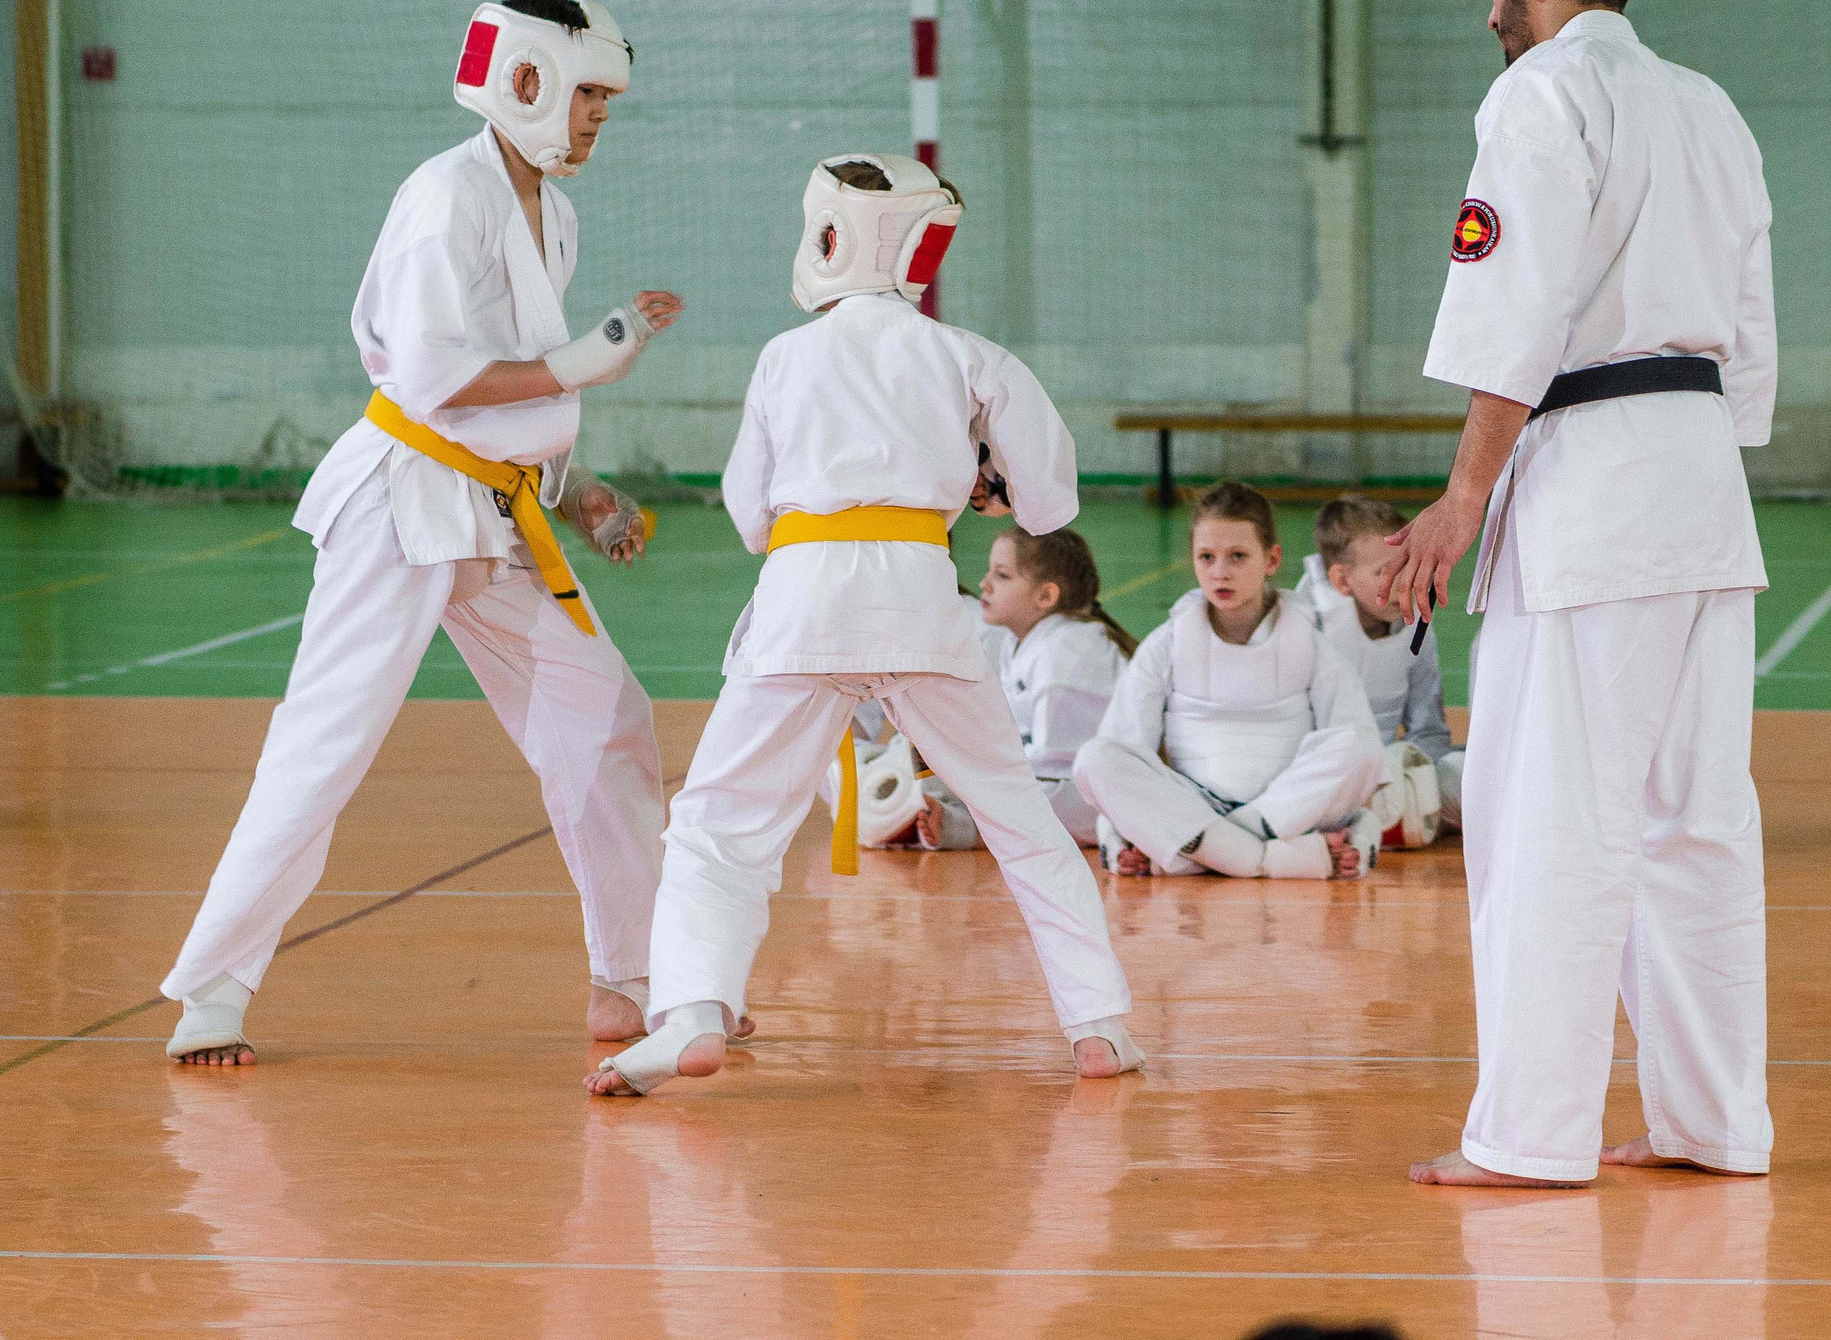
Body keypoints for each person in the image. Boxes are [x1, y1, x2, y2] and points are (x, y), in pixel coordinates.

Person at [162, 0, 700, 1066]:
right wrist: (586, 358)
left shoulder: (552, 208)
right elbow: (434, 378)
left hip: (493, 510)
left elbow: (515, 397)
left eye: (608, 98)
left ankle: (632, 977)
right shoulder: (442, 197)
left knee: (606, 714)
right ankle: (210, 989)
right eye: (586, 93)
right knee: (325, 743)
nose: (597, 115)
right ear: (527, 79)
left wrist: (578, 484)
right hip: (397, 503)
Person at [585, 155, 1140, 1097]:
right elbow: (1050, 498)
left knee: (719, 826)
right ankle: (1098, 1026)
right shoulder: (966, 352)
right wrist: (983, 484)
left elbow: (750, 512)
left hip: (803, 594)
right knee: (1016, 815)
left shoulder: (783, 356)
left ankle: (689, 1014)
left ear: (830, 234)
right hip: (922, 593)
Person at [1384, 0, 1777, 1187]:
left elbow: (1520, 311)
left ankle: (1533, 1134)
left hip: (1594, 483)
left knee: (1551, 812)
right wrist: (1696, 461)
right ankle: (1714, 1123)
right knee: (1697, 817)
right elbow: (1752, 323)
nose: (1488, 0)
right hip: (1702, 477)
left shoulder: (1543, 95)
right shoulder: (1709, 106)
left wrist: (1463, 492)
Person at [1074, 481, 1384, 880]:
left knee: (1362, 746)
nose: (1220, 572)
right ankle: (1271, 860)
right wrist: (1117, 826)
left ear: (1271, 559)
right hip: (1195, 806)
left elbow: (1353, 745)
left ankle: (1202, 854)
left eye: (1238, 556)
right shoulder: (1166, 643)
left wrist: (1149, 833)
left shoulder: (1309, 640)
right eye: (1207, 557)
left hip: (1282, 810)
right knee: (1096, 759)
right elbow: (1125, 748)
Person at [877, 528, 1137, 852]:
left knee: (1004, 789)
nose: (985, 583)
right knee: (930, 755)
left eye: (1002, 575)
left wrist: (979, 779)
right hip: (1055, 785)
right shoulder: (1021, 642)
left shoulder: (1068, 651)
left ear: (1046, 596)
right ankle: (952, 817)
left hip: (1092, 797)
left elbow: (1057, 768)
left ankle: (966, 829)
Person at [1293, 494, 1459, 848]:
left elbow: (1429, 732)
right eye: (1386, 571)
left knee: (1473, 775)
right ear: (1341, 580)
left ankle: (1387, 819)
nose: (1405, 582)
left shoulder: (1417, 627)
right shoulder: (1305, 627)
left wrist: (1409, 777)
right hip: (1316, 780)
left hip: (1388, 778)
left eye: (1408, 564)